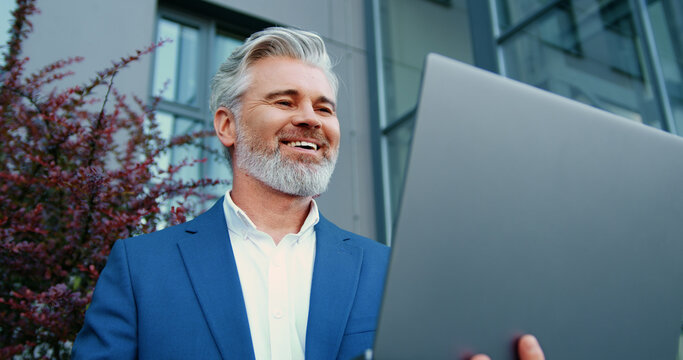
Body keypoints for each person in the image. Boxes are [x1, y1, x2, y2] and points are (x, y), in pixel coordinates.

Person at [72, 27, 544, 360]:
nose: (311, 119)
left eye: (324, 107)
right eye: (284, 101)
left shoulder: (391, 274)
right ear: (227, 125)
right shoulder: (141, 269)